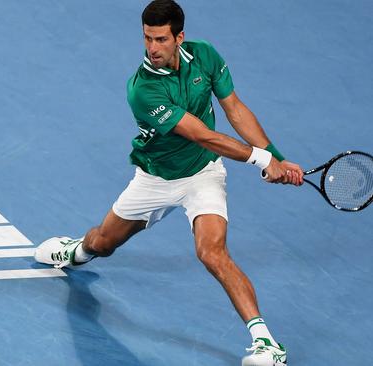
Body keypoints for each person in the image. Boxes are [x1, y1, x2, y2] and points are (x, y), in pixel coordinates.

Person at [34, 1, 304, 365]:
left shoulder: (205, 56)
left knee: (212, 252)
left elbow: (235, 109)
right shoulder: (142, 89)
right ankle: (76, 251)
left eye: (161, 39)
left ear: (180, 37)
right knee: (103, 243)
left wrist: (275, 155)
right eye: (147, 38)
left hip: (204, 174)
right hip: (155, 180)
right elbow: (203, 135)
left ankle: (267, 344)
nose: (152, 48)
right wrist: (261, 160)